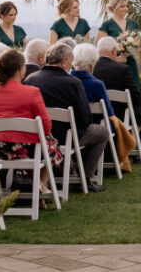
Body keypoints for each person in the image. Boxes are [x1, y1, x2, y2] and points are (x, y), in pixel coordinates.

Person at [26, 42, 109, 190]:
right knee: (102, 132)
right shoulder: (73, 82)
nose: (71, 64)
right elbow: (85, 118)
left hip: (38, 135)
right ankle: (86, 177)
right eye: (71, 60)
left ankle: (60, 172)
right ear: (64, 61)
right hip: (66, 136)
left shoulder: (31, 79)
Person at [0, 49, 62, 195]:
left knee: (44, 143)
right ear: (20, 69)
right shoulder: (32, 92)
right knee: (52, 143)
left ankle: (39, 186)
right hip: (28, 149)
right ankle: (41, 187)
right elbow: (46, 126)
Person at [94, 37, 141, 156]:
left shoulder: (91, 68)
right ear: (114, 51)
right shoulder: (122, 69)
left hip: (96, 116)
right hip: (121, 116)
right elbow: (136, 97)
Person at [95, 0, 141, 91]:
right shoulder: (107, 25)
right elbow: (100, 48)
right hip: (113, 66)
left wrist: (129, 51)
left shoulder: (133, 24)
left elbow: (140, 47)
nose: (125, 8)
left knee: (133, 93)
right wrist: (117, 58)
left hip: (130, 64)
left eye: (126, 6)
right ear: (114, 8)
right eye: (122, 6)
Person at [70, 43, 114, 119]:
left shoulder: (66, 82)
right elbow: (109, 112)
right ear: (92, 64)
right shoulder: (97, 85)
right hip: (97, 125)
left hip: (71, 126)